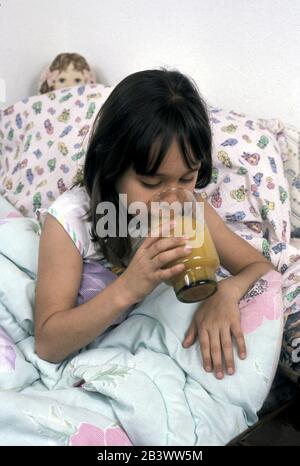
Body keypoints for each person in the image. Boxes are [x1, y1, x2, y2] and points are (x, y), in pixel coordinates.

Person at [35, 68, 275, 379]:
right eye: (150, 182)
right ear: (111, 166)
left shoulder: (192, 211)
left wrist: (227, 292)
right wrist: (129, 287)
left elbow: (260, 268)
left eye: (186, 179)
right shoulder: (70, 222)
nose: (171, 199)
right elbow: (47, 344)